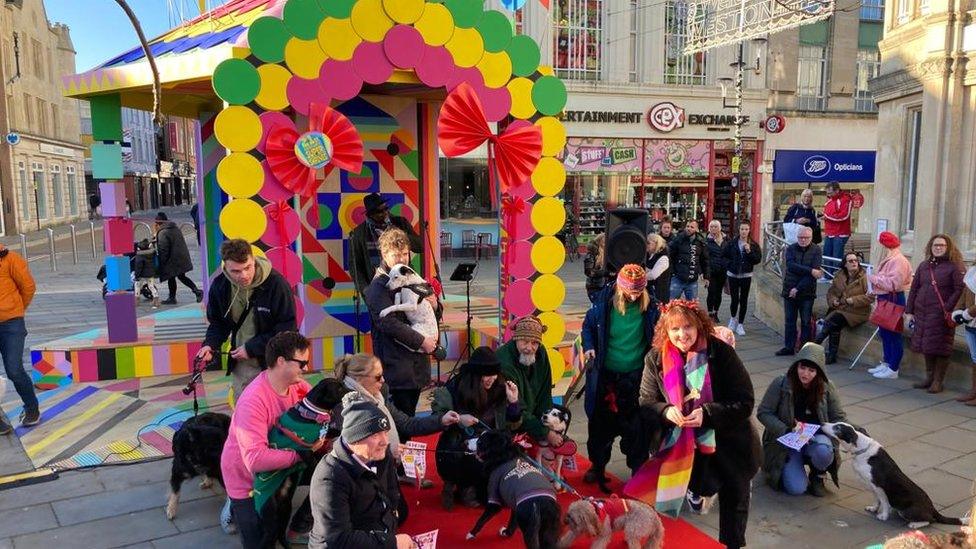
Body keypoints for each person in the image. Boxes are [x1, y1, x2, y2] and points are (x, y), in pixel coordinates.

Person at [638, 300, 760, 549]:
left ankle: (733, 545)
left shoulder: (720, 352)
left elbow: (745, 400)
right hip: (682, 442)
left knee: (734, 496)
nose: (682, 335)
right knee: (700, 485)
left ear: (699, 326)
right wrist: (665, 411)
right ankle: (700, 491)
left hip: (728, 439)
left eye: (687, 327)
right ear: (666, 331)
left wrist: (708, 413)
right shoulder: (655, 358)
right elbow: (646, 401)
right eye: (675, 329)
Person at [221, 331, 314, 549]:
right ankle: (234, 506)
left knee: (278, 523)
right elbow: (254, 459)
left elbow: (319, 406)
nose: (307, 369)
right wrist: (300, 454)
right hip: (246, 480)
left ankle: (283, 534)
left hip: (279, 470)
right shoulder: (253, 401)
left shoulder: (297, 386)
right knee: (258, 538)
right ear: (281, 361)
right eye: (302, 363)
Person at [332, 353, 458, 496]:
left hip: (382, 468)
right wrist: (387, 451)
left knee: (397, 510)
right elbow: (349, 450)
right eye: (378, 377)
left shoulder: (378, 398)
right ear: (358, 379)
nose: (384, 381)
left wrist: (441, 420)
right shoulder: (343, 404)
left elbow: (407, 423)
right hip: (355, 479)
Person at [581, 264, 660, 485]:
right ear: (620, 287)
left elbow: (662, 333)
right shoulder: (604, 302)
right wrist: (589, 346)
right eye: (630, 292)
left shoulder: (652, 307)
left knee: (636, 429)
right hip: (606, 377)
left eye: (638, 291)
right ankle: (597, 466)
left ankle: (638, 470)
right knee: (599, 427)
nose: (634, 296)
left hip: (636, 377)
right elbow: (587, 326)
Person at [308, 394, 418, 549]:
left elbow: (391, 489)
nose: (385, 441)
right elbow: (339, 540)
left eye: (385, 432)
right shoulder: (329, 479)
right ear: (355, 438)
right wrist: (392, 543)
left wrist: (392, 513)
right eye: (375, 434)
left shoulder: (380, 453)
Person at [198, 239, 297, 399]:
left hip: (276, 361)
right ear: (225, 267)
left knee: (277, 412)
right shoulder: (220, 286)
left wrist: (252, 348)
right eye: (236, 271)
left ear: (254, 260)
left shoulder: (276, 284)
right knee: (246, 412)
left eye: (247, 268)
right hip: (243, 364)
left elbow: (287, 329)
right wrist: (210, 345)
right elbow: (218, 323)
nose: (243, 275)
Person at [431, 346, 520, 509]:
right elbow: (437, 418)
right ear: (475, 375)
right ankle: (461, 484)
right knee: (471, 455)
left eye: (494, 374)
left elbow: (513, 423)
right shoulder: (454, 388)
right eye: (486, 375)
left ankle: (485, 486)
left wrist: (513, 402)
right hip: (460, 444)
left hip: (489, 442)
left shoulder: (500, 388)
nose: (491, 379)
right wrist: (458, 419)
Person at [364, 228, 439, 416]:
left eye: (405, 254)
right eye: (396, 255)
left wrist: (436, 304)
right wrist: (422, 341)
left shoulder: (411, 276)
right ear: (384, 254)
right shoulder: (378, 285)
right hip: (396, 365)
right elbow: (388, 323)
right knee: (399, 420)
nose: (402, 259)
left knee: (409, 414)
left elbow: (431, 313)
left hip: (416, 365)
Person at [757, 343, 847, 497]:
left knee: (824, 450)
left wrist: (854, 434)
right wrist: (785, 429)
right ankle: (781, 468)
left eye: (811, 370)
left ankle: (818, 475)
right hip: (788, 440)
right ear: (796, 366)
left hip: (816, 437)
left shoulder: (827, 387)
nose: (805, 374)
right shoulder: (781, 383)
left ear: (818, 373)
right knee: (796, 489)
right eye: (802, 368)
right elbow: (764, 412)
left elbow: (839, 417)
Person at [905, 234, 966, 393]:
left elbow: (960, 290)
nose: (938, 248)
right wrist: (909, 311)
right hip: (922, 313)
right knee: (927, 346)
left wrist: (947, 307)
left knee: (941, 347)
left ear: (948, 247)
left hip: (941, 314)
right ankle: (929, 378)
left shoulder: (955, 266)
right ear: (930, 248)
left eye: (941, 245)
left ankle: (938, 381)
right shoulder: (924, 266)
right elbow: (914, 288)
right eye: (935, 245)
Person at [497, 315, 556, 446]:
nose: (529, 347)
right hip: (512, 420)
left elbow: (545, 395)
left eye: (534, 342)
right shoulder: (504, 362)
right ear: (516, 339)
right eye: (524, 341)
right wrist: (544, 432)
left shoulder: (540, 352)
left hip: (532, 418)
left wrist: (549, 423)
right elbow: (517, 408)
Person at [349, 193, 421, 297]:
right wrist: (365, 289)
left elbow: (420, 247)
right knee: (385, 313)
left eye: (386, 208)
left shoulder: (400, 223)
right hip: (377, 285)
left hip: (404, 282)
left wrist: (399, 233)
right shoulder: (359, 233)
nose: (385, 213)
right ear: (370, 214)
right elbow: (355, 265)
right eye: (379, 211)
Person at [0, 243, 38, 433]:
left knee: (14, 369)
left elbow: (28, 286)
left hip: (11, 324)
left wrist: (17, 309)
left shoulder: (10, 259)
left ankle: (32, 409)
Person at [867, 231, 913, 380]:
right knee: (885, 333)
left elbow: (894, 283)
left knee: (893, 334)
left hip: (892, 298)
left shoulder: (898, 260)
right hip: (886, 297)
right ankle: (887, 362)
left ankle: (893, 367)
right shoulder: (892, 258)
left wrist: (873, 278)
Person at [814, 251, 874, 365]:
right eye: (851, 261)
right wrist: (833, 301)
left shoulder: (865, 277)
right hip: (841, 309)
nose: (854, 263)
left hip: (857, 312)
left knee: (832, 321)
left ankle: (813, 347)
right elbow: (831, 292)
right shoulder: (839, 275)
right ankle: (831, 355)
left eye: (856, 261)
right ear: (845, 264)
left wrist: (853, 300)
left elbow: (870, 298)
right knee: (835, 326)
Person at [776, 226, 823, 357]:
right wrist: (810, 270)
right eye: (800, 237)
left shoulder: (816, 250)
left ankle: (804, 348)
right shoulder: (791, 248)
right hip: (789, 289)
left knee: (806, 321)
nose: (802, 240)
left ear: (811, 238)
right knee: (789, 321)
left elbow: (814, 272)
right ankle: (789, 347)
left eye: (805, 238)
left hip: (806, 292)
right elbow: (791, 266)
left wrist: (798, 288)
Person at [723, 220, 762, 336]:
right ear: (738, 230)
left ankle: (740, 324)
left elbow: (757, 259)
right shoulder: (732, 243)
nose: (744, 231)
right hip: (733, 275)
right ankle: (733, 319)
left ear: (749, 230)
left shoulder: (753, 244)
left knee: (744, 300)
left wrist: (749, 251)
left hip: (746, 275)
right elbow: (724, 256)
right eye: (742, 229)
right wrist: (729, 265)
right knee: (734, 299)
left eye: (746, 229)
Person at [154, 211, 203, 304]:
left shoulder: (162, 232)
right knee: (177, 277)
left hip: (173, 260)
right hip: (180, 257)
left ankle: (196, 291)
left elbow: (163, 249)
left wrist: (162, 263)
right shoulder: (174, 227)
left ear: (157, 223)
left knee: (175, 277)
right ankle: (175, 296)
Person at [952, 260, 976, 405]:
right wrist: (957, 311)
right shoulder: (972, 271)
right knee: (974, 359)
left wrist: (967, 313)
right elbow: (963, 293)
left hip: (971, 317)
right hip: (971, 325)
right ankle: (973, 391)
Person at [668, 220, 709, 300]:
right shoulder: (679, 239)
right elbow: (669, 255)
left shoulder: (701, 242)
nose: (689, 228)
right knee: (671, 305)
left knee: (693, 308)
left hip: (692, 281)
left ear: (697, 229)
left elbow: (705, 260)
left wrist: (706, 276)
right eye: (687, 226)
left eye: (692, 227)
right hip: (677, 278)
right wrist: (672, 272)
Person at [822, 182, 853, 270]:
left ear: (837, 190)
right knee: (827, 254)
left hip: (840, 233)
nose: (828, 195)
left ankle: (836, 276)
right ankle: (828, 276)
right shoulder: (830, 200)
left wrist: (827, 217)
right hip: (830, 232)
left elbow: (844, 216)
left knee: (837, 257)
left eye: (830, 192)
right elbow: (828, 213)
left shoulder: (846, 199)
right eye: (827, 193)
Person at [704, 220, 729, 322]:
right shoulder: (706, 241)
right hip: (711, 271)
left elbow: (729, 254)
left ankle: (716, 312)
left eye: (715, 227)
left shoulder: (726, 240)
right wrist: (705, 274)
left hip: (723, 271)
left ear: (720, 228)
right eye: (711, 227)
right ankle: (710, 313)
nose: (713, 229)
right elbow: (704, 258)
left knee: (718, 293)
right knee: (711, 292)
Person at [132, 238, 161, 309]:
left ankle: (136, 300)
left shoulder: (139, 256)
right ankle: (156, 300)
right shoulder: (151, 254)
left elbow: (138, 267)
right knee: (151, 286)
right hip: (150, 274)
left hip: (141, 275)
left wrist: (137, 275)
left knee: (137, 286)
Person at [645, 233, 671, 304]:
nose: (646, 245)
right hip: (651, 291)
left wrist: (640, 277)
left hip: (659, 293)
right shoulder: (651, 254)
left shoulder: (663, 258)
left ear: (656, 244)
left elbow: (653, 275)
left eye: (648, 243)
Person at [584, 233, 607, 302]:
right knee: (597, 307)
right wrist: (605, 273)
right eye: (604, 241)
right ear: (599, 242)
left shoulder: (606, 252)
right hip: (595, 286)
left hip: (604, 285)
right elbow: (589, 272)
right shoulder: (591, 254)